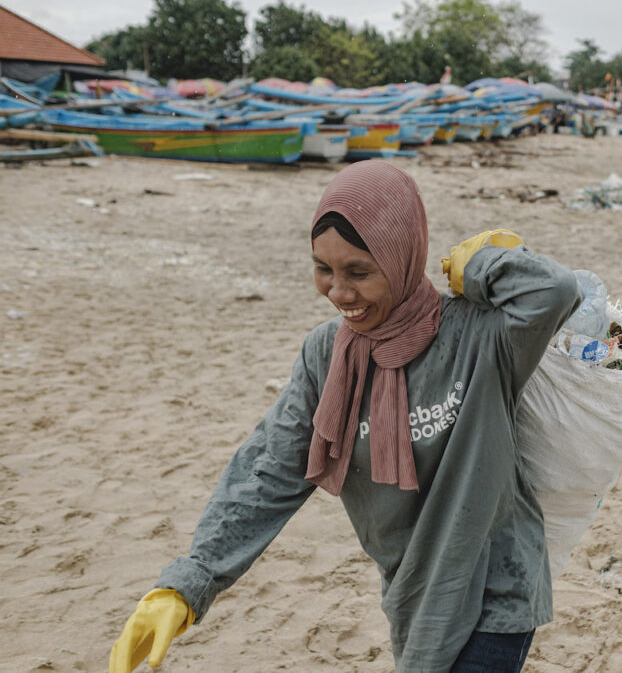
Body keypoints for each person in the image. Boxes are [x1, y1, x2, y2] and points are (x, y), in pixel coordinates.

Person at [108, 160, 582, 672]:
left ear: (403, 258)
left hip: (496, 585)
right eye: (324, 270)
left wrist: (481, 263)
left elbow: (553, 293)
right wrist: (188, 582)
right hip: (410, 587)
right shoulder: (326, 355)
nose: (338, 293)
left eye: (359, 271)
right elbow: (269, 469)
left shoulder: (481, 336)